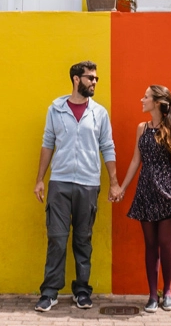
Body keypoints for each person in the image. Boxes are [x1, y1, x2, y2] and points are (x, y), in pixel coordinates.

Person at [33, 60, 121, 312]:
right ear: (76, 79)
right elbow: (48, 142)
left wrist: (113, 183)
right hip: (59, 182)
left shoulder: (99, 113)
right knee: (57, 240)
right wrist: (40, 179)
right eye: (90, 78)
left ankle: (82, 291)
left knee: (83, 240)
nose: (94, 82)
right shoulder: (56, 109)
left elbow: (108, 146)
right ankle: (49, 293)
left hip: (88, 183)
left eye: (96, 79)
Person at [118, 85, 171, 313]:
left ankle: (167, 292)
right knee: (150, 245)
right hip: (146, 192)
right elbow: (134, 161)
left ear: (158, 102)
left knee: (165, 243)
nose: (142, 99)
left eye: (146, 97)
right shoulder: (142, 128)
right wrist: (122, 188)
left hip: (168, 192)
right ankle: (152, 295)